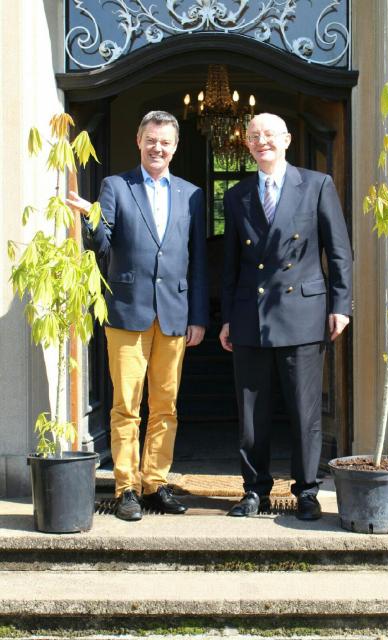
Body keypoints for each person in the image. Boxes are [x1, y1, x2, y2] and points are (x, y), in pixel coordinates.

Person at [67, 110, 208, 521]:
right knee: (126, 405)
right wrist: (91, 216)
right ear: (139, 141)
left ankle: (155, 484)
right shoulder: (116, 186)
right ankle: (126, 487)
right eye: (151, 140)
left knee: (165, 406)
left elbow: (197, 259)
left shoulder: (192, 194)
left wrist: (198, 316)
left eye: (165, 142)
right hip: (128, 311)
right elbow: (101, 244)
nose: (157, 148)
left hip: (174, 315)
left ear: (175, 147)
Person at [219, 113, 352, 520]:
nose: (262, 142)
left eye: (269, 135)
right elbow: (230, 264)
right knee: (251, 416)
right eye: (254, 136)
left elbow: (339, 251)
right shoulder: (237, 195)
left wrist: (340, 305)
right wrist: (228, 317)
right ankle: (254, 490)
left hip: (303, 315)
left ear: (287, 139)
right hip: (251, 317)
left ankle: (307, 492)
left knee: (304, 412)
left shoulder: (316, 185)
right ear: (247, 144)